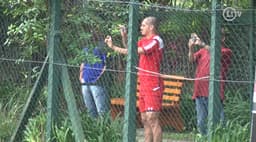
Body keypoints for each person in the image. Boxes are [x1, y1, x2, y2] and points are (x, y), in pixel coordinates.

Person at [105, 16, 164, 142]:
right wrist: (124, 36)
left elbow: (135, 51)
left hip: (153, 84)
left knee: (152, 118)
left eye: (143, 25)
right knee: (144, 119)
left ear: (151, 27)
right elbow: (130, 47)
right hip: (142, 83)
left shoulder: (156, 40)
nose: (141, 27)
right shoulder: (143, 40)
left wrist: (114, 48)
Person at [188, 30, 232, 135]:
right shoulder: (203, 51)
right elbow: (191, 59)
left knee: (220, 122)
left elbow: (215, 53)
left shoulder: (226, 51)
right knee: (201, 123)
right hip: (199, 91)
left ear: (223, 38)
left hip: (214, 92)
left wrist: (201, 44)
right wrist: (191, 47)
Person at [79, 42, 109, 119]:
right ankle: (94, 129)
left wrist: (98, 78)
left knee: (101, 111)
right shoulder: (85, 48)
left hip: (97, 84)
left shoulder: (102, 47)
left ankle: (104, 129)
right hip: (85, 83)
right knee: (90, 110)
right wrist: (81, 77)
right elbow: (82, 63)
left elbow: (105, 65)